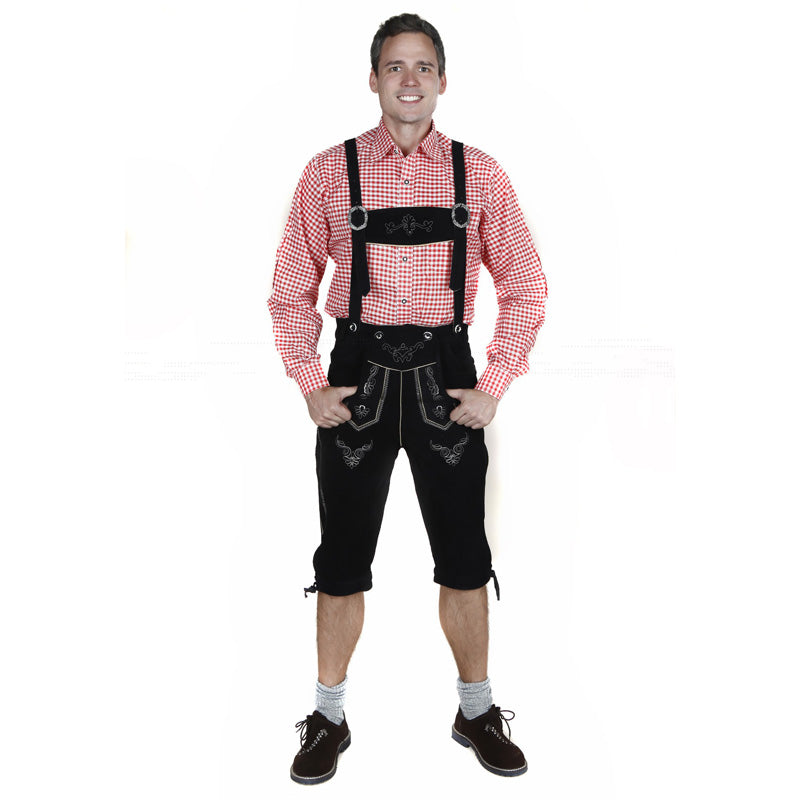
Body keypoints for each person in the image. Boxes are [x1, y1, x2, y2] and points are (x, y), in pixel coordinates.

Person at [268, 12, 547, 784]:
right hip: (355, 379)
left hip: (444, 380)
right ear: (373, 79)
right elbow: (290, 291)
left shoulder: (478, 173)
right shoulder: (329, 172)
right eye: (395, 66)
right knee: (341, 561)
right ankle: (328, 718)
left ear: (443, 79)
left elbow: (526, 286)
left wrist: (493, 386)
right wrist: (309, 382)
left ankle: (476, 710)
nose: (410, 79)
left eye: (424, 66)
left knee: (464, 558)